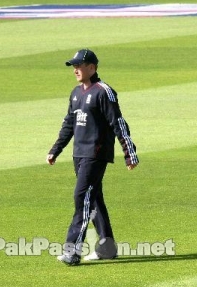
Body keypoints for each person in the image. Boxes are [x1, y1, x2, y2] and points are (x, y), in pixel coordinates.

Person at [47, 49, 139, 266]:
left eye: (80, 65)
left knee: (82, 197)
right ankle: (107, 248)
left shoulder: (104, 92)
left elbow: (118, 124)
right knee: (93, 199)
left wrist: (129, 153)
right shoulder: (76, 93)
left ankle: (72, 251)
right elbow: (68, 124)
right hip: (78, 155)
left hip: (96, 155)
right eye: (74, 66)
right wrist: (56, 149)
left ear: (92, 67)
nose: (76, 70)